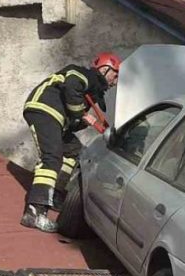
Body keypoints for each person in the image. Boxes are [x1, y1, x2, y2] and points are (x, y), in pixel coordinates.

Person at [21, 52, 121, 232]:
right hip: (44, 110)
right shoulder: (84, 74)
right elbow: (72, 86)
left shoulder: (90, 92)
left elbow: (74, 115)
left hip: (58, 121)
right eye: (115, 75)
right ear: (105, 69)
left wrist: (81, 120)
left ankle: (55, 194)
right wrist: (83, 115)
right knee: (51, 158)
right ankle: (34, 211)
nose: (116, 81)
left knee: (75, 151)